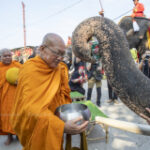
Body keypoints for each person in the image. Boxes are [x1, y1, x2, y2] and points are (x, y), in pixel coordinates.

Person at [11, 33, 88, 150]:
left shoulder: (59, 69)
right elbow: (31, 108)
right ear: (42, 49)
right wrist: (61, 126)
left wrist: (67, 116)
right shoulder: (30, 70)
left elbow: (63, 96)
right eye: (57, 53)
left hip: (53, 121)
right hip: (37, 127)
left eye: (63, 55)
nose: (60, 58)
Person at [0, 49, 22, 145]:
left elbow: (26, 76)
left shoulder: (17, 65)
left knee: (19, 116)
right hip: (5, 98)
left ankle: (18, 135)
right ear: (1, 57)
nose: (8, 57)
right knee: (7, 117)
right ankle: (9, 136)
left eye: (9, 55)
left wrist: (20, 81)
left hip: (18, 96)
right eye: (5, 56)